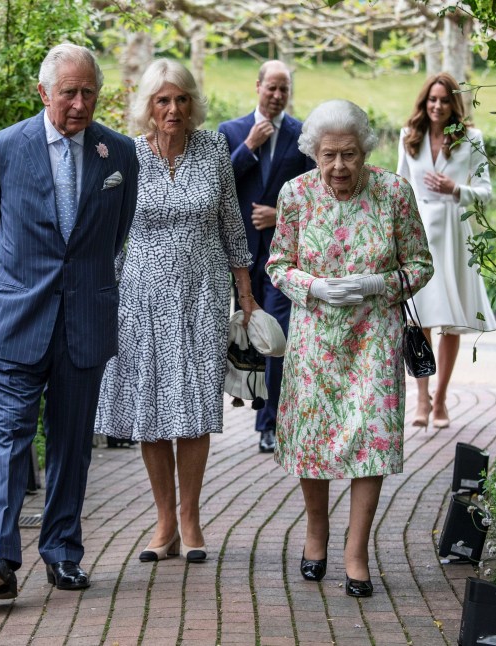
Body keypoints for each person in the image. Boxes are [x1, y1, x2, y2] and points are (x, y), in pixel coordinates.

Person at [0, 44, 138, 600]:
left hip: (84, 320)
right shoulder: (3, 149)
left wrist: (82, 285)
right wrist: (27, 282)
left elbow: (115, 237)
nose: (80, 102)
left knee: (72, 444)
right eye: (69, 91)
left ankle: (62, 553)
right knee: (11, 436)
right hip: (18, 319)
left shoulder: (120, 155)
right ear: (44, 93)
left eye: (89, 91)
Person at [267, 99, 433, 597]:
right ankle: (316, 533)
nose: (339, 166)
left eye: (350, 154)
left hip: (374, 341)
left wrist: (374, 284)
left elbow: (421, 265)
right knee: (314, 441)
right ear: (313, 153)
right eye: (328, 155)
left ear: (365, 151)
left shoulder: (392, 194)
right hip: (315, 340)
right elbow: (277, 265)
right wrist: (314, 287)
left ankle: (356, 552)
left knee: (373, 441)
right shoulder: (295, 195)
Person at [94, 59, 258, 564]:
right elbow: (107, 226)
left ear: (193, 104)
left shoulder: (213, 148)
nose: (173, 109)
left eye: (182, 99)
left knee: (191, 406)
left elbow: (232, 220)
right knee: (150, 408)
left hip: (202, 294)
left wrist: (245, 289)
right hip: (139, 296)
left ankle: (191, 519)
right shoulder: (125, 153)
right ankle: (164, 519)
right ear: (148, 105)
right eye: (163, 100)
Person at [218, 60, 315, 454]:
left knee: (276, 337)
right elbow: (218, 184)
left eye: (284, 90)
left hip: (282, 256)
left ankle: (269, 423)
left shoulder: (303, 134)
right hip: (239, 256)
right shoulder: (232, 132)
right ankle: (246, 408)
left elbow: (313, 192)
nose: (276, 96)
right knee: (246, 336)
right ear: (257, 86)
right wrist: (250, 147)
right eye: (271, 88)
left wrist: (280, 215)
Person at [396, 73, 496, 429]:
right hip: (419, 234)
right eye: (431, 100)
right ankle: (421, 399)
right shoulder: (410, 137)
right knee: (418, 319)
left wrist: (456, 189)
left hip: (454, 235)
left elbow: (486, 191)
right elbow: (400, 188)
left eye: (443, 100)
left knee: (450, 322)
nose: (437, 106)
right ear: (424, 102)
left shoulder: (472, 139)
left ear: (454, 104)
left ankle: (441, 400)